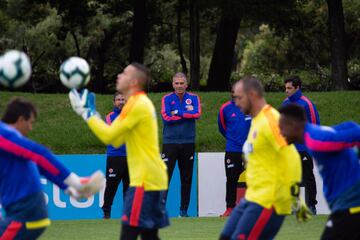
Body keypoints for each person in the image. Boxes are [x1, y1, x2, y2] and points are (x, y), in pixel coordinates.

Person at [69, 62, 169, 240]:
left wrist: (88, 114)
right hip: (153, 177)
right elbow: (116, 139)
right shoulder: (137, 103)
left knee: (128, 234)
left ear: (134, 81)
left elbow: (109, 137)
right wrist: (93, 114)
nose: (119, 76)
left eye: (124, 73)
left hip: (145, 181)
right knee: (149, 236)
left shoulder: (136, 104)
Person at [0, 97, 104, 240]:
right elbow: (40, 163)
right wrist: (70, 189)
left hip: (25, 213)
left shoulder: (6, 136)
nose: (31, 128)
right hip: (28, 211)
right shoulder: (5, 137)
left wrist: (75, 183)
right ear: (21, 120)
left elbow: (40, 155)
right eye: (30, 123)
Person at [219, 76, 302, 240]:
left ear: (252, 95)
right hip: (252, 198)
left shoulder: (271, 120)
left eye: (239, 97)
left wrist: (294, 196)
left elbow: (291, 156)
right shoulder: (256, 121)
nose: (235, 102)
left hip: (268, 201)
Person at [278, 103, 360, 240]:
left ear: (293, 124)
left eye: (282, 127)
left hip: (349, 205)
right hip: (345, 204)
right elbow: (350, 126)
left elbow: (356, 133)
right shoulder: (315, 134)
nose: (280, 132)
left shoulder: (315, 141)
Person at [160, 72, 201, 217]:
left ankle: (183, 211)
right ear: (173, 84)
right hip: (170, 142)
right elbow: (166, 118)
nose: (179, 86)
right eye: (176, 83)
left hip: (188, 142)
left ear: (186, 84)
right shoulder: (166, 99)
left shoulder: (194, 98)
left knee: (186, 178)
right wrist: (185, 115)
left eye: (181, 83)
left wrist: (177, 113)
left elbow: (197, 114)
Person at [282, 76, 319, 214]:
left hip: (304, 147)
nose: (286, 91)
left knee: (308, 176)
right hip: (290, 149)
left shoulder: (307, 104)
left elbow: (315, 124)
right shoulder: (285, 104)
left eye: (289, 88)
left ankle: (311, 206)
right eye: (285, 88)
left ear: (297, 88)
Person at [217, 87, 251, 217]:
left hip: (250, 150)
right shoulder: (225, 108)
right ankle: (230, 208)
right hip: (233, 150)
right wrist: (232, 138)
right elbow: (222, 127)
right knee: (231, 179)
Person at [102, 92, 129, 219]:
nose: (121, 102)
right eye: (118, 99)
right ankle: (106, 212)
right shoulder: (110, 117)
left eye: (123, 99)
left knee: (129, 187)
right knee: (111, 186)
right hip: (115, 156)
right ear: (114, 102)